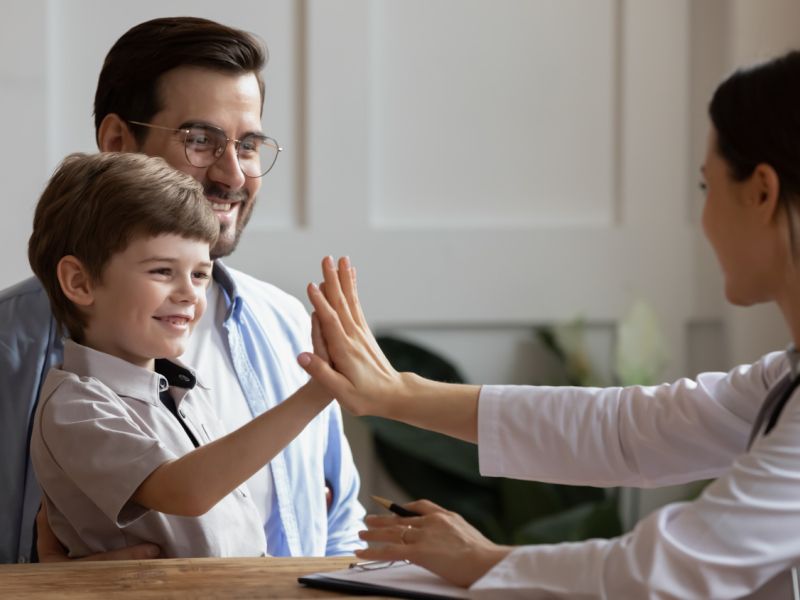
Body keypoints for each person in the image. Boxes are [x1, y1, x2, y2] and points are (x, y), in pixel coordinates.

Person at [297, 50, 800, 598]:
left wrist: (483, 561)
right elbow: (625, 430)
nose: (704, 218)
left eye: (707, 187)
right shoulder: (784, 379)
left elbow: (670, 571)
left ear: (762, 191)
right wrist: (396, 394)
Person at [0, 17, 364, 564]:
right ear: (118, 143)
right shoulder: (12, 349)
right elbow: (186, 490)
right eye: (200, 141)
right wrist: (36, 589)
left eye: (248, 145)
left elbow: (339, 527)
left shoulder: (290, 328)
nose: (235, 176)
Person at [29, 151, 337, 558]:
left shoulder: (183, 388)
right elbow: (186, 491)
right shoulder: (75, 407)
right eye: (162, 271)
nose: (189, 293)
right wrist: (317, 392)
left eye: (200, 275)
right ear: (79, 282)